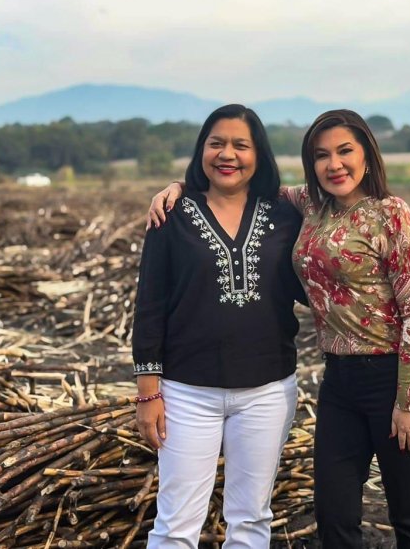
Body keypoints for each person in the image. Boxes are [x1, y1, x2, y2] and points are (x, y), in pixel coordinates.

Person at [148, 109, 410, 549]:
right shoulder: (309, 204)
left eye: (345, 151)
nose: (335, 164)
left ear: (367, 154)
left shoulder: (391, 213)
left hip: (399, 379)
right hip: (341, 383)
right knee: (334, 515)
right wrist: (180, 187)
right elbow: (238, 181)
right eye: (322, 155)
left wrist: (408, 401)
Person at [132, 104, 306, 548]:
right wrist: (148, 393)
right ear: (201, 151)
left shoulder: (285, 216)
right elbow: (149, 306)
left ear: (259, 155)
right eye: (216, 143)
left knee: (251, 520)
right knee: (175, 525)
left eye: (240, 145)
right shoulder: (170, 216)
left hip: (267, 391)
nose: (227, 154)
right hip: (186, 392)